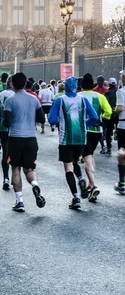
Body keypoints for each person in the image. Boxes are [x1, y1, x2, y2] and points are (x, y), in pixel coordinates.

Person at [48, 76, 99, 209]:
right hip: (81, 137)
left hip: (66, 138)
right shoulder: (83, 100)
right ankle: (81, 178)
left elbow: (52, 120)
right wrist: (84, 124)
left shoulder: (60, 100)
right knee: (75, 162)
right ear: (77, 87)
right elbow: (94, 117)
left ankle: (76, 197)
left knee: (68, 167)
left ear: (65, 87)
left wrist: (60, 119)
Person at [3, 72, 46, 212]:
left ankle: (19, 201)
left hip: (15, 138)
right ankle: (34, 184)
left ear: (12, 84)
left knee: (15, 168)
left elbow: (7, 122)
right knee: (29, 169)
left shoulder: (10, 100)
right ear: (26, 83)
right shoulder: (34, 99)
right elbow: (42, 119)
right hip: (31, 138)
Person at [78, 73, 112, 201]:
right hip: (97, 131)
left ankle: (93, 184)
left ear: (81, 85)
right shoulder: (100, 97)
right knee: (90, 156)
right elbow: (108, 111)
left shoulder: (78, 96)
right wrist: (104, 119)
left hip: (83, 130)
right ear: (93, 85)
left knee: (86, 157)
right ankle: (91, 184)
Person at [0, 76, 15, 190]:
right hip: (17, 128)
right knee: (16, 154)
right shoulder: (17, 95)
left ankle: (5, 178)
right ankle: (14, 176)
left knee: (5, 153)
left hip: (4, 127)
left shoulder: (2, 94)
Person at [115, 71, 125, 194]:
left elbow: (120, 108)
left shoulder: (121, 92)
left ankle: (122, 182)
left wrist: (114, 111)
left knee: (122, 153)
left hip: (123, 125)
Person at [102, 77, 118, 156]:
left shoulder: (107, 93)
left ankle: (109, 148)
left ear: (109, 84)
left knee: (108, 131)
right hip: (119, 114)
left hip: (110, 113)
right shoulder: (119, 92)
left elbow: (104, 105)